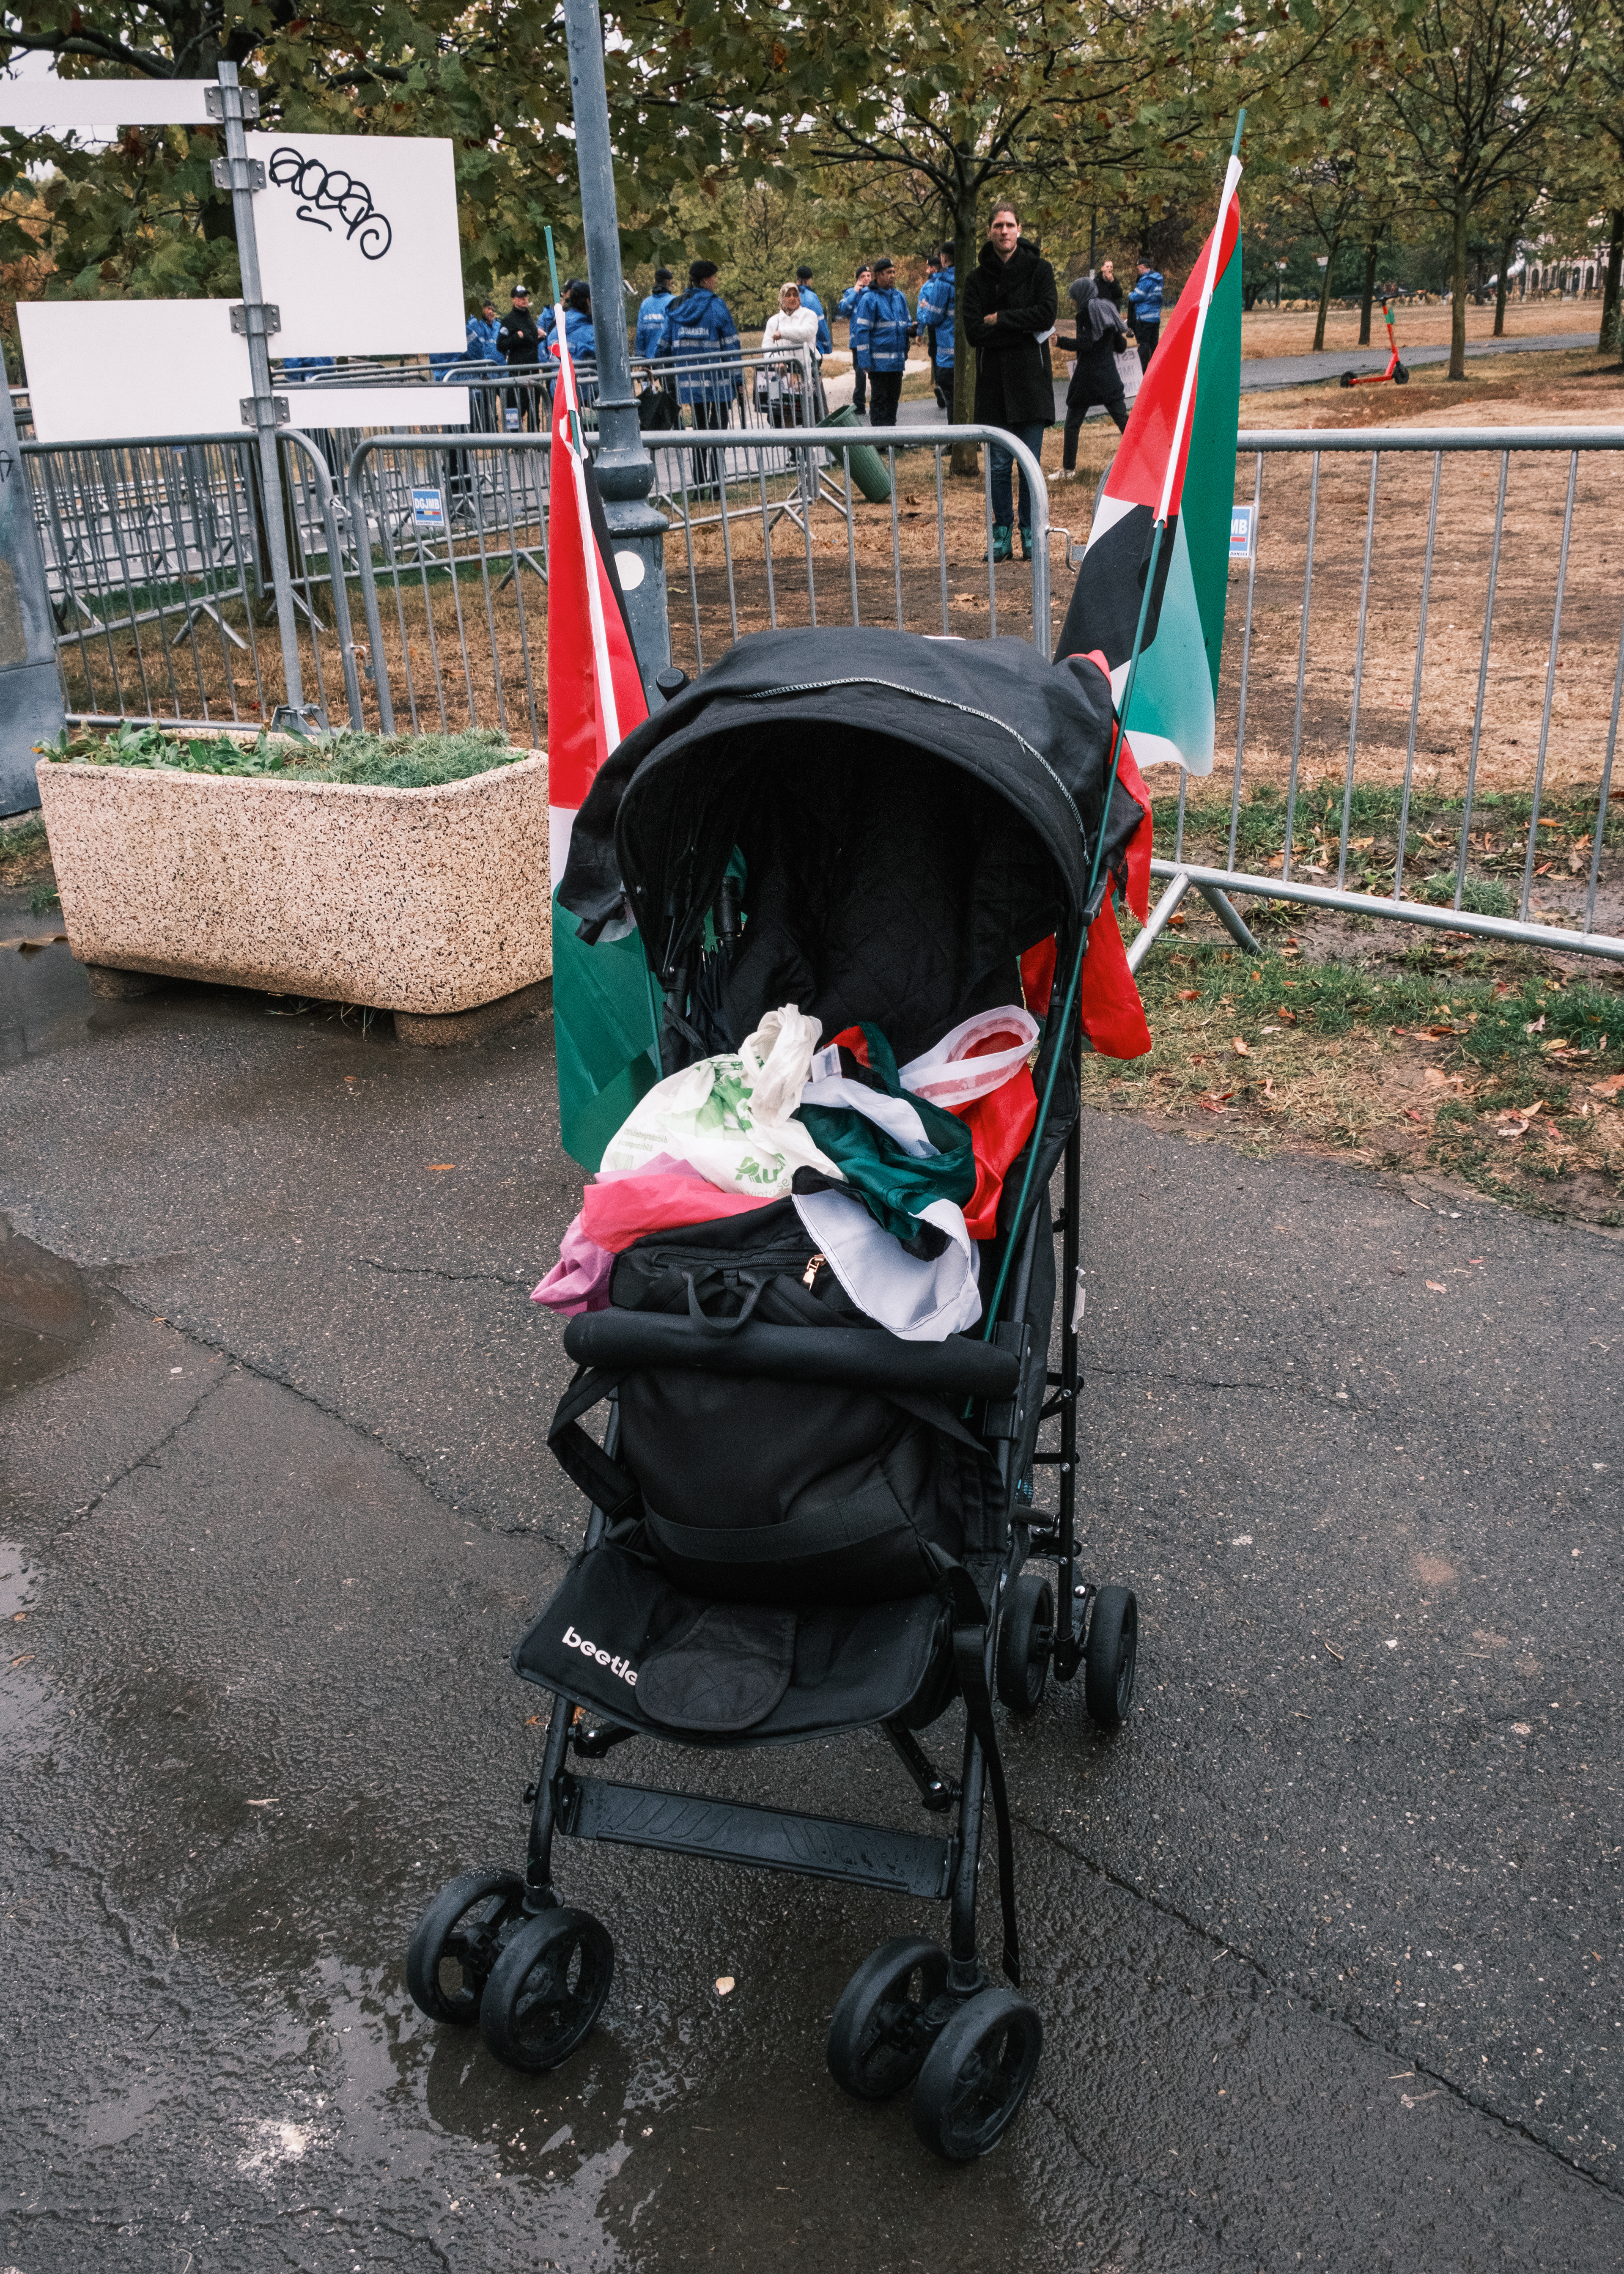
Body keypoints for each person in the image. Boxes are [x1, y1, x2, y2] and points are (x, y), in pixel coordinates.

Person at [961, 201, 1057, 561]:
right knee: (999, 467)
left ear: (1019, 229)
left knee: (1029, 464)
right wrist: (1022, 327)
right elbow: (973, 333)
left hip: (1031, 384)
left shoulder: (1039, 270)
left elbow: (1047, 314)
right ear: (990, 231)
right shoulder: (976, 279)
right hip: (993, 386)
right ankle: (1001, 536)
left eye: (1010, 224)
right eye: (998, 225)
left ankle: (1032, 533)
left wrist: (999, 319)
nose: (1004, 231)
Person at [659, 259, 744, 495]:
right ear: (706, 280)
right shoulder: (717, 306)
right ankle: (717, 484)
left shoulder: (677, 306)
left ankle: (699, 484)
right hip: (718, 383)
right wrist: (738, 379)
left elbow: (664, 344)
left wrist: (657, 369)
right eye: (714, 278)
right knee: (718, 431)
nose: (716, 282)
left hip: (690, 385)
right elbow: (731, 346)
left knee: (698, 431)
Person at [1055, 274, 1130, 471]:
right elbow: (1121, 346)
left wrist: (1060, 341)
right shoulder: (1107, 309)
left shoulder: (1085, 313)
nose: (1073, 303)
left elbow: (1085, 344)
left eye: (1074, 298)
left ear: (1081, 295)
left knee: (1072, 425)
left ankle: (1068, 469)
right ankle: (1143, 459)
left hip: (1087, 377)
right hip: (1109, 376)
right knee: (1124, 422)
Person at [850, 255, 914, 427]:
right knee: (879, 401)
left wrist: (912, 329)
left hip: (897, 363)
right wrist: (865, 362)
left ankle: (891, 437)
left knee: (893, 400)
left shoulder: (900, 297)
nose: (893, 276)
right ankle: (880, 439)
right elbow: (862, 332)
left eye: (894, 272)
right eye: (888, 273)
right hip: (878, 365)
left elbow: (906, 322)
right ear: (878, 275)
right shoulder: (869, 299)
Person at [760, 280, 821, 426]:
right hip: (782, 374)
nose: (793, 298)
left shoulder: (808, 315)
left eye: (795, 295)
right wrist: (776, 362)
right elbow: (767, 346)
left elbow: (806, 333)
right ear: (782, 298)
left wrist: (783, 333)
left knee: (806, 413)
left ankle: (807, 447)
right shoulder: (774, 321)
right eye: (788, 295)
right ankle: (794, 448)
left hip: (804, 371)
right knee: (781, 415)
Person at [915, 242, 955, 414]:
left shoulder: (942, 283)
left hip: (947, 354)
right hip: (968, 355)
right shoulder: (971, 279)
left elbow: (933, 317)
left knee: (953, 402)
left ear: (944, 258)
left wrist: (926, 308)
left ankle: (956, 441)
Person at [495, 282, 542, 428]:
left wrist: (540, 336)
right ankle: (515, 444)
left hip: (533, 370)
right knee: (515, 409)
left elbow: (532, 341)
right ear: (514, 300)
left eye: (525, 297)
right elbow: (501, 345)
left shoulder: (528, 318)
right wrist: (517, 337)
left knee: (534, 408)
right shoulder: (509, 320)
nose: (524, 300)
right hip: (518, 371)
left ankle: (536, 445)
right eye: (520, 297)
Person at [837, 264, 872, 414]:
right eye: (863, 276)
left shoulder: (875, 292)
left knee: (875, 372)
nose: (866, 279)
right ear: (858, 279)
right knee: (859, 373)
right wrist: (855, 292)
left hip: (872, 340)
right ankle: (859, 404)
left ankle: (876, 401)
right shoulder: (851, 293)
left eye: (868, 276)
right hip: (857, 341)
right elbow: (843, 310)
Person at [1129, 258, 1164, 370]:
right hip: (1155, 317)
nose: (1138, 270)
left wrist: (1130, 294)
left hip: (1145, 317)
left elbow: (1137, 296)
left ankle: (1143, 369)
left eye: (1139, 267)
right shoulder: (1159, 279)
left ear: (1143, 267)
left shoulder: (1146, 280)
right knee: (1154, 343)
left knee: (1144, 344)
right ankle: (1156, 368)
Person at [635, 268, 675, 358]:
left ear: (655, 281)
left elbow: (640, 335)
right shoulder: (674, 302)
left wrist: (640, 359)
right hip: (668, 361)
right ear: (668, 282)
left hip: (649, 363)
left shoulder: (645, 304)